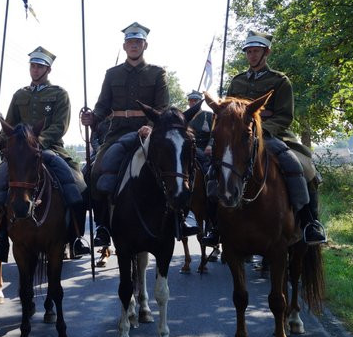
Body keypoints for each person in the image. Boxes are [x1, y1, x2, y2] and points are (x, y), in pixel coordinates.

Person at [200, 31, 327, 246]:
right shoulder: (237, 81)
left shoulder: (280, 81)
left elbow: (285, 116)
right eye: (248, 51)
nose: (251, 55)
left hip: (271, 135)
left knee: (302, 168)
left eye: (255, 51)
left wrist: (261, 130)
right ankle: (215, 226)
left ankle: (309, 223)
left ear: (265, 52)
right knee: (213, 170)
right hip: (239, 138)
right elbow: (226, 114)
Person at [0, 46, 90, 261]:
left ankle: (77, 238)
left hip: (49, 148)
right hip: (20, 153)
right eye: (32, 65)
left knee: (78, 185)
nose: (34, 69)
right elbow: (11, 126)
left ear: (48, 69)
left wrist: (35, 142)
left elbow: (60, 126)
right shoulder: (19, 94)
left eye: (39, 66)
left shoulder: (59, 94)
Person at [81, 22, 169, 247]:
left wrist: (151, 125)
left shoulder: (158, 73)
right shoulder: (112, 74)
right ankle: (102, 226)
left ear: (145, 45)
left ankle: (177, 219)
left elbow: (162, 107)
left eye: (137, 42)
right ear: (124, 46)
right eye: (130, 42)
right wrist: (93, 118)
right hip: (117, 131)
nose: (133, 46)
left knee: (173, 169)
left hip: (148, 131)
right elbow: (102, 106)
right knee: (94, 171)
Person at [181, 91, 213, 236]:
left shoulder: (209, 116)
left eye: (195, 100)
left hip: (205, 150)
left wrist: (210, 145)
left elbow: (215, 133)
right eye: (190, 100)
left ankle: (210, 194)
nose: (192, 102)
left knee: (210, 172)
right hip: (190, 149)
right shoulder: (184, 117)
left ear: (200, 102)